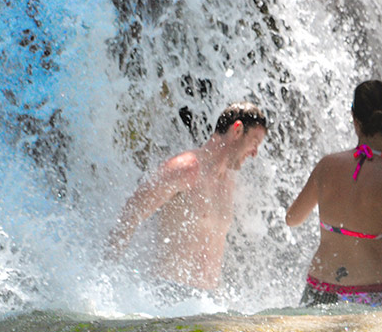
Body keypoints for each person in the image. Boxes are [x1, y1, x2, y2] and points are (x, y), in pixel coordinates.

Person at [285, 80, 382, 307]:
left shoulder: (327, 166)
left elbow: (292, 219)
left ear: (354, 118)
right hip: (369, 295)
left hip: (319, 289)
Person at [107, 102, 268, 297]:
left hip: (207, 300)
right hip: (170, 295)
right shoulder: (186, 168)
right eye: (254, 142)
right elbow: (131, 213)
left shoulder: (228, 182)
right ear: (237, 130)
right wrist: (106, 275)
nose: (254, 153)